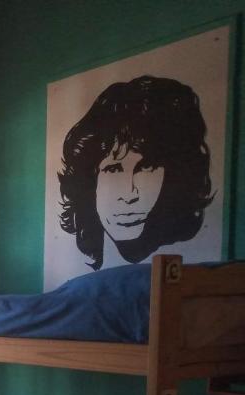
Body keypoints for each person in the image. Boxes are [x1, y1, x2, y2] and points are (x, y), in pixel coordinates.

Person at [58, 75, 214, 270]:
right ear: (89, 182)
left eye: (147, 167)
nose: (130, 195)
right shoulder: (73, 264)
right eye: (113, 169)